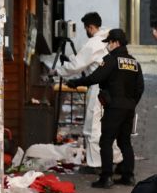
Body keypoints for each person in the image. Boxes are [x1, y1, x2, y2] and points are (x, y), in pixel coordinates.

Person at [67, 29, 144, 189]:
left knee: (106, 141)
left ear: (116, 42)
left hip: (114, 107)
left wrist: (75, 83)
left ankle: (106, 177)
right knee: (125, 142)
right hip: (129, 108)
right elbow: (140, 88)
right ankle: (128, 176)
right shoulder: (134, 63)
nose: (107, 46)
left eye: (109, 42)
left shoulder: (111, 60)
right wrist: (131, 103)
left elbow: (95, 77)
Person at [49, 12, 114, 173]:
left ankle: (94, 164)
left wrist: (58, 71)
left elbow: (77, 65)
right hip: (113, 88)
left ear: (90, 27)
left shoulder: (93, 43)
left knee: (92, 127)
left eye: (86, 28)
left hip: (98, 87)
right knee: (110, 126)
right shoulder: (109, 39)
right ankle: (115, 159)